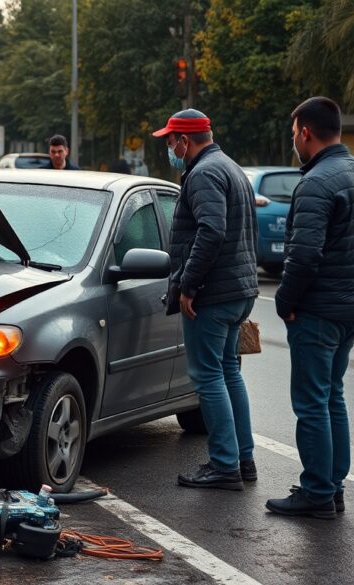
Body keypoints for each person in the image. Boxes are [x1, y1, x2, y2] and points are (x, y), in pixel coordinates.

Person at [152, 109, 259, 491]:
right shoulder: (230, 167)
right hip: (238, 290)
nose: (169, 147)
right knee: (228, 372)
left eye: (171, 140)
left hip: (213, 295)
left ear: (186, 140)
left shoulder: (204, 174)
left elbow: (212, 232)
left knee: (208, 376)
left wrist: (188, 285)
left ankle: (224, 464)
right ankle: (242, 459)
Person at [267, 97, 354, 519]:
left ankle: (317, 491)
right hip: (347, 309)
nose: (293, 142)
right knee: (332, 396)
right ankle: (332, 485)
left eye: (293, 134)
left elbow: (303, 255)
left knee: (312, 401)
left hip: (317, 310)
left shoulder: (317, 182)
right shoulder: (350, 174)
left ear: (306, 132)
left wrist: (285, 302)